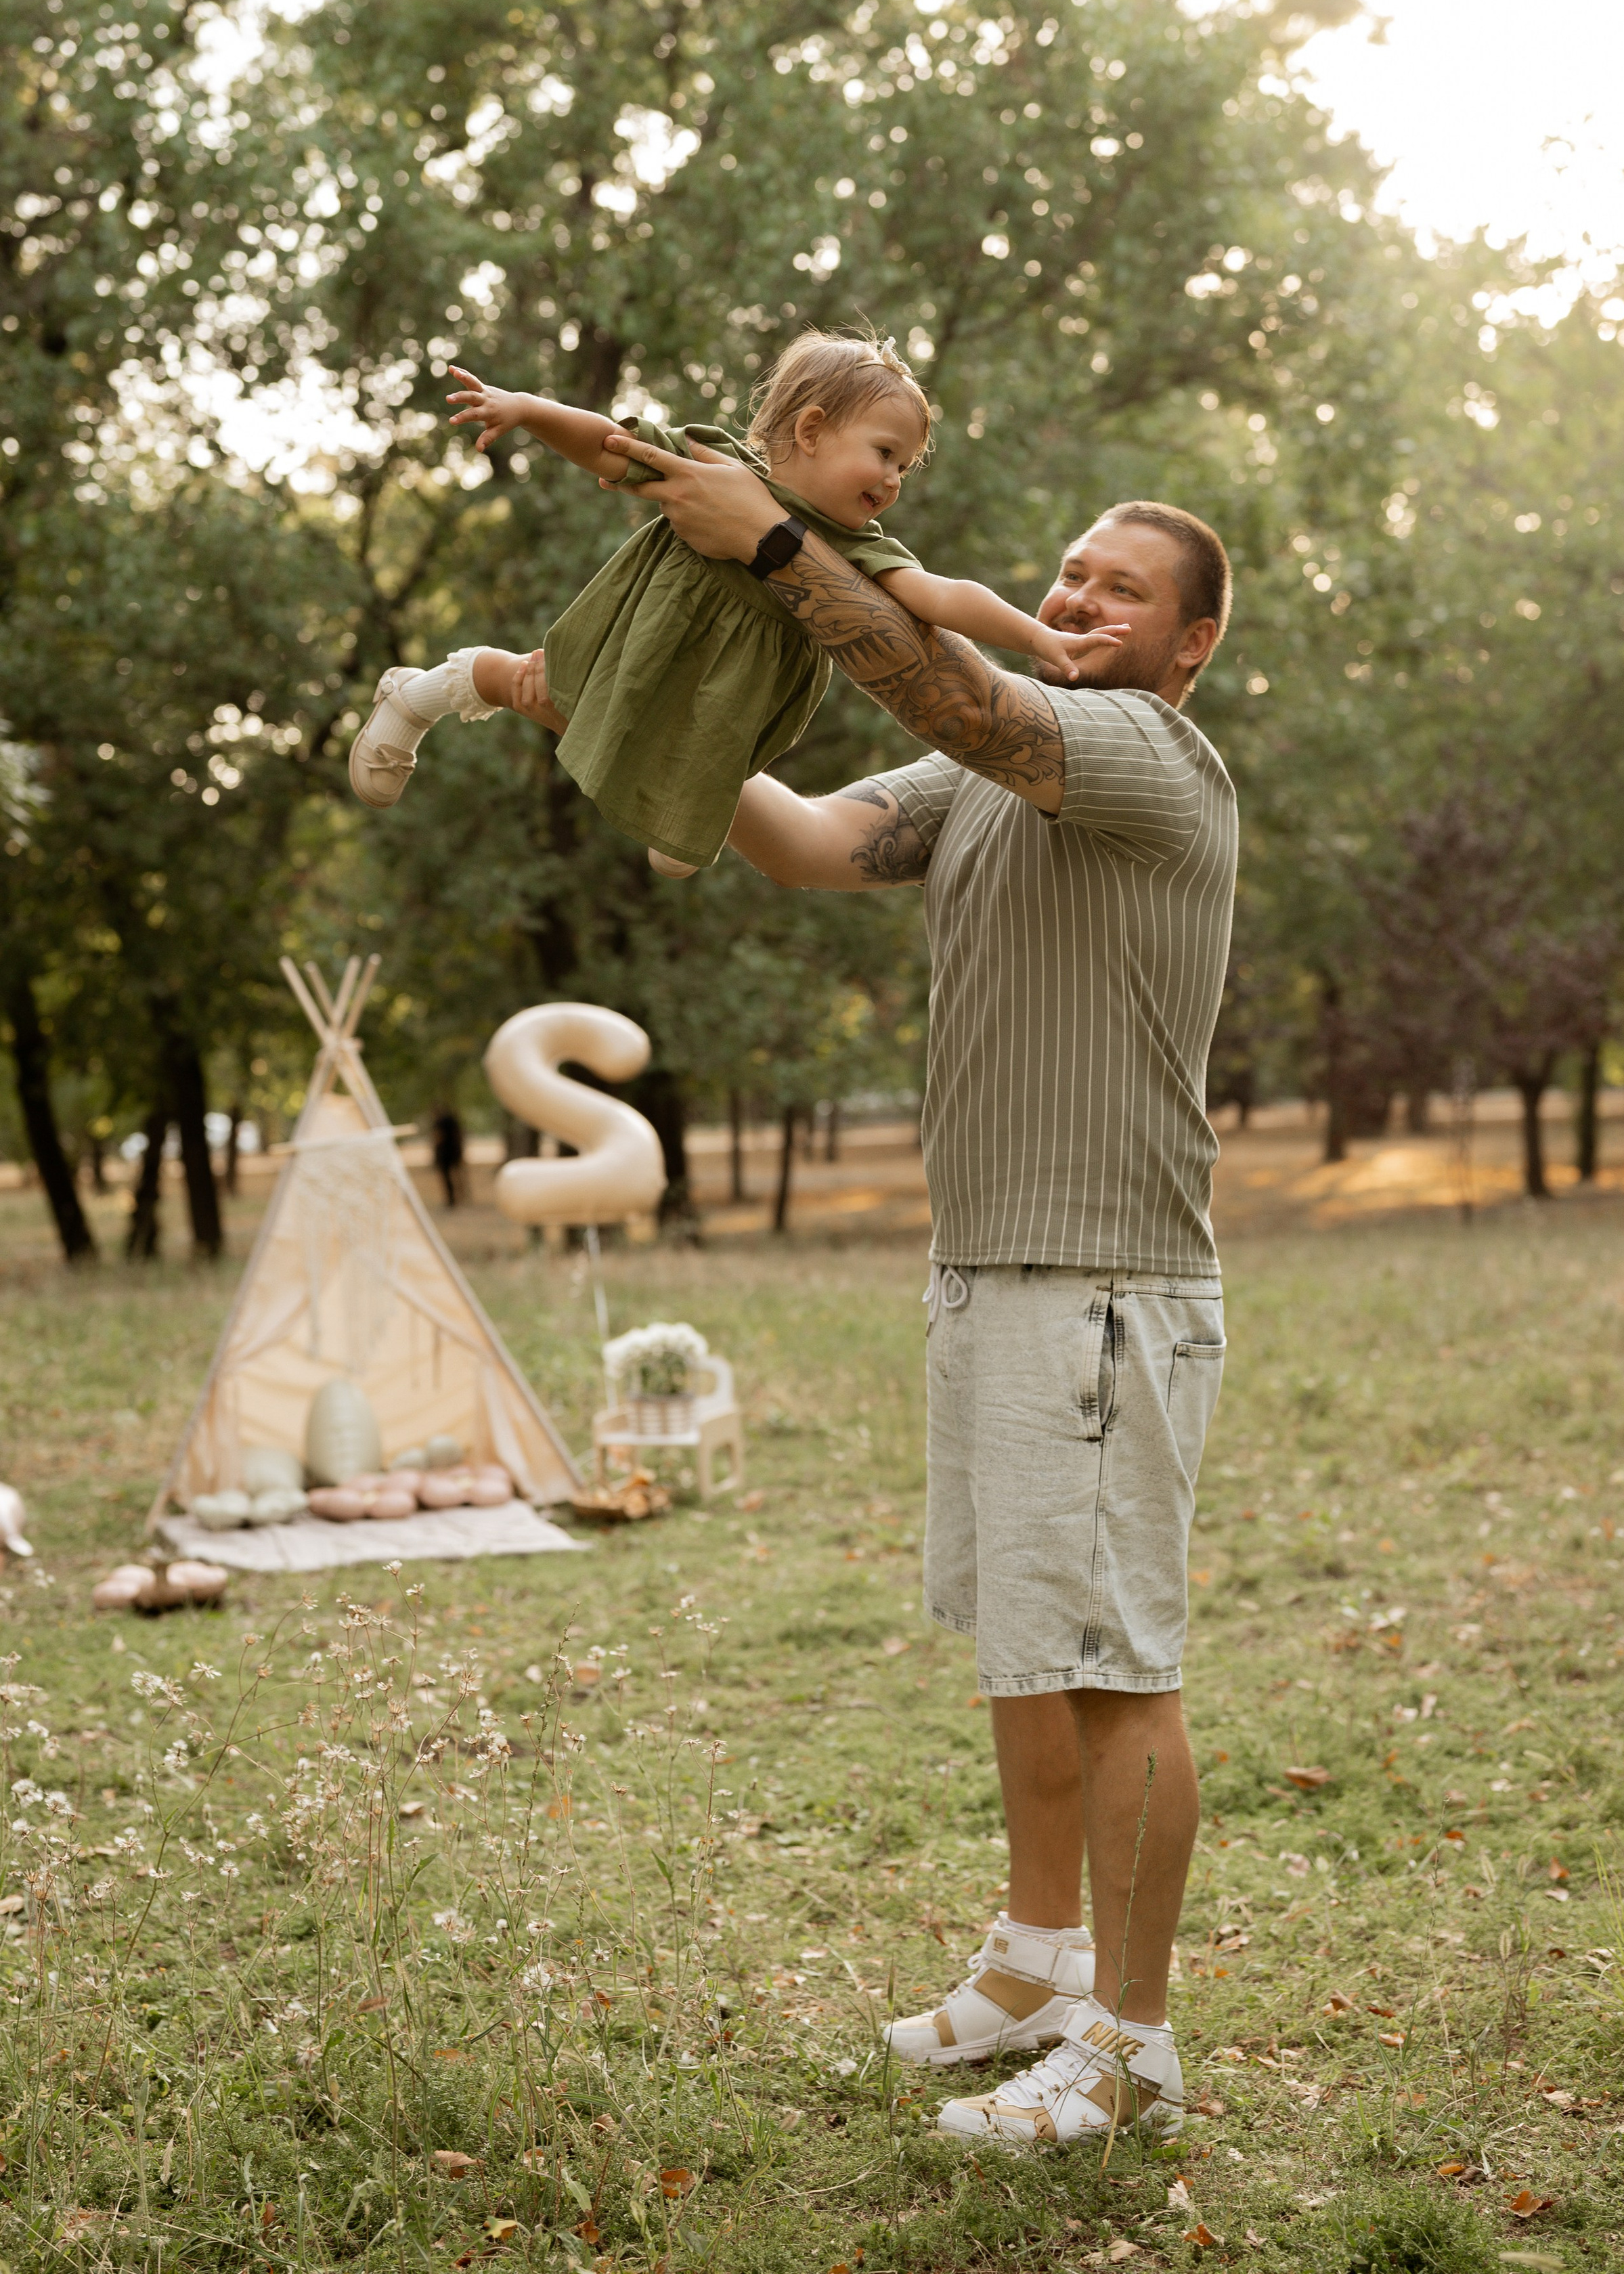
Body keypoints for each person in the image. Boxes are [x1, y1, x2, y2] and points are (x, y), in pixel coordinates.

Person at [596, 418, 1236, 2151]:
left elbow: (951, 696)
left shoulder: (1136, 753)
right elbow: (803, 839)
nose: (1078, 595)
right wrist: (622, 695)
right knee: (1028, 1648)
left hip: (1103, 1283)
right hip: (989, 1276)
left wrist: (769, 549)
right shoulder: (986, 784)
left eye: (1125, 587)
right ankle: (1034, 1962)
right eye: (1070, 572)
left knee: (1111, 1659)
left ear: (1187, 644)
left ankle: (1132, 2038)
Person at [347, 331, 1127, 874]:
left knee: (704, 775)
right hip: (645, 639)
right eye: (885, 454)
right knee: (546, 688)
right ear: (813, 429)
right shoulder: (712, 467)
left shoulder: (854, 543)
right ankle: (426, 691)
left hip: (729, 693)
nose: (893, 480)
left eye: (906, 467)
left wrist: (1035, 637)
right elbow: (611, 445)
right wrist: (529, 409)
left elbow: (943, 596)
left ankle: (679, 812)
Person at [430, 1106, 466, 1208]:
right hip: (455, 1153)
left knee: (448, 1178)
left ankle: (452, 1199)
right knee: (456, 1175)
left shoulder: (440, 1123)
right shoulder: (452, 1122)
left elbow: (438, 1137)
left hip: (445, 1155)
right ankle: (460, 1196)